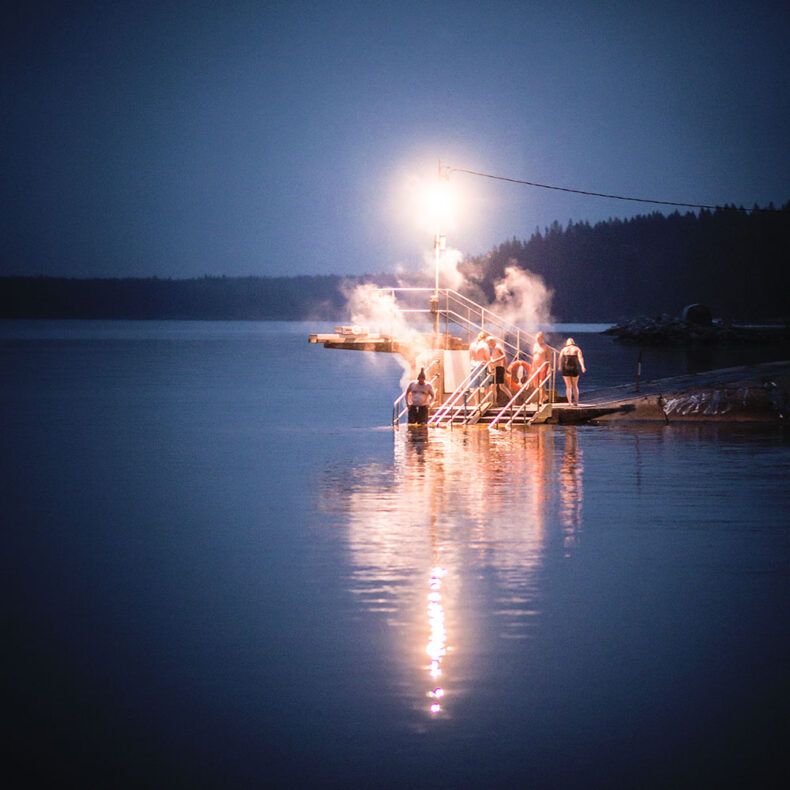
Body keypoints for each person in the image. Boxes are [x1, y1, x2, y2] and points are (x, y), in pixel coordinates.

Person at [557, 337, 586, 406]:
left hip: (566, 368)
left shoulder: (564, 349)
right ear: (573, 343)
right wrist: (582, 366)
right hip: (574, 368)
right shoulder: (577, 349)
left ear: (567, 343)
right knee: (575, 386)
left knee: (568, 386)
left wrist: (559, 366)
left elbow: (560, 358)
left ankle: (569, 403)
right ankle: (576, 402)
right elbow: (580, 358)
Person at [486, 335, 511, 404]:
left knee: (501, 386)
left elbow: (503, 356)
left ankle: (511, 399)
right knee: (494, 386)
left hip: (499, 368)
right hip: (495, 368)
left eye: (488, 343)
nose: (488, 345)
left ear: (492, 342)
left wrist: (495, 360)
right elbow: (495, 356)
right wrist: (491, 359)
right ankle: (494, 402)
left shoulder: (497, 347)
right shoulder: (494, 348)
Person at [531, 331, 551, 404]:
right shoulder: (535, 346)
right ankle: (545, 396)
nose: (537, 339)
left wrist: (549, 368)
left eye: (539, 338)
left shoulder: (546, 347)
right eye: (536, 338)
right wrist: (532, 367)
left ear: (542, 338)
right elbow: (533, 357)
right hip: (535, 366)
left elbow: (549, 358)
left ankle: (540, 401)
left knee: (541, 384)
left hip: (542, 367)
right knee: (535, 384)